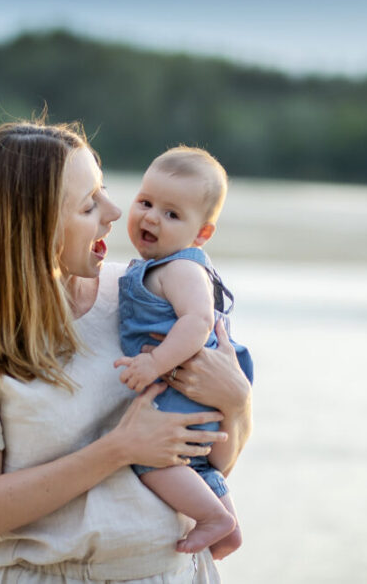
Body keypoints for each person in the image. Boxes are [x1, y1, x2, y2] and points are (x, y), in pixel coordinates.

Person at [0, 121, 253, 584]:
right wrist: (119, 449)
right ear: (31, 224)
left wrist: (237, 404)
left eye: (105, 191)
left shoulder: (144, 294)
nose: (115, 211)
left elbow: (211, 463)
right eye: (90, 203)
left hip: (179, 572)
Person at [114, 146, 253, 561]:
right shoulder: (162, 266)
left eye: (172, 214)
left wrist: (155, 362)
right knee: (195, 468)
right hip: (193, 397)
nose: (152, 217)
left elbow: (196, 322)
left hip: (180, 391)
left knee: (152, 461)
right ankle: (226, 528)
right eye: (146, 202)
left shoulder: (180, 269)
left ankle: (214, 519)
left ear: (201, 234)